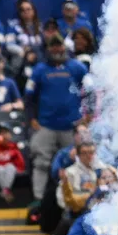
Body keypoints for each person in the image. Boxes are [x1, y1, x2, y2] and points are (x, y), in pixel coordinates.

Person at [24, 37, 87, 201]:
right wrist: (31, 118)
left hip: (71, 125)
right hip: (46, 124)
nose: (56, 49)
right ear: (48, 49)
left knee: (74, 161)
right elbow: (29, 96)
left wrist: (87, 116)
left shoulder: (77, 67)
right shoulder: (39, 69)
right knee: (40, 162)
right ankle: (38, 199)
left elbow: (91, 91)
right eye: (53, 46)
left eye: (59, 45)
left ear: (64, 47)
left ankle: (75, 198)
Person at [0, 123, 26, 203]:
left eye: (6, 132)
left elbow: (20, 163)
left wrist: (19, 168)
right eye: (1, 133)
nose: (3, 135)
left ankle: (5, 191)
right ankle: (6, 191)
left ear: (10, 135)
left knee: (10, 166)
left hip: (10, 170)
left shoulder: (13, 147)